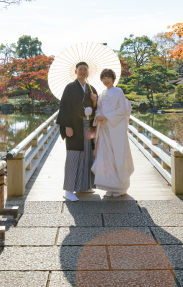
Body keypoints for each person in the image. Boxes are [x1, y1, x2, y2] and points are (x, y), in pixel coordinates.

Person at [57, 61, 98, 201]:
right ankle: (68, 190)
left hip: (88, 127)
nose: (82, 71)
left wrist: (94, 101)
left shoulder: (91, 89)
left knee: (88, 156)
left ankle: (84, 186)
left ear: (88, 73)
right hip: (74, 127)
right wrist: (67, 125)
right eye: (80, 69)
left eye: (85, 69)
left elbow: (96, 110)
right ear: (76, 71)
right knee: (73, 156)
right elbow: (64, 107)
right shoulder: (70, 88)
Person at [91, 68, 134, 197]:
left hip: (115, 130)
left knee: (117, 156)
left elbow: (122, 110)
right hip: (104, 129)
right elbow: (98, 109)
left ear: (113, 79)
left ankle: (120, 188)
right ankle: (110, 186)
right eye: (103, 78)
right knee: (106, 157)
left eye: (108, 78)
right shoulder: (102, 93)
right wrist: (98, 115)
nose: (105, 80)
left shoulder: (118, 92)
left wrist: (106, 116)